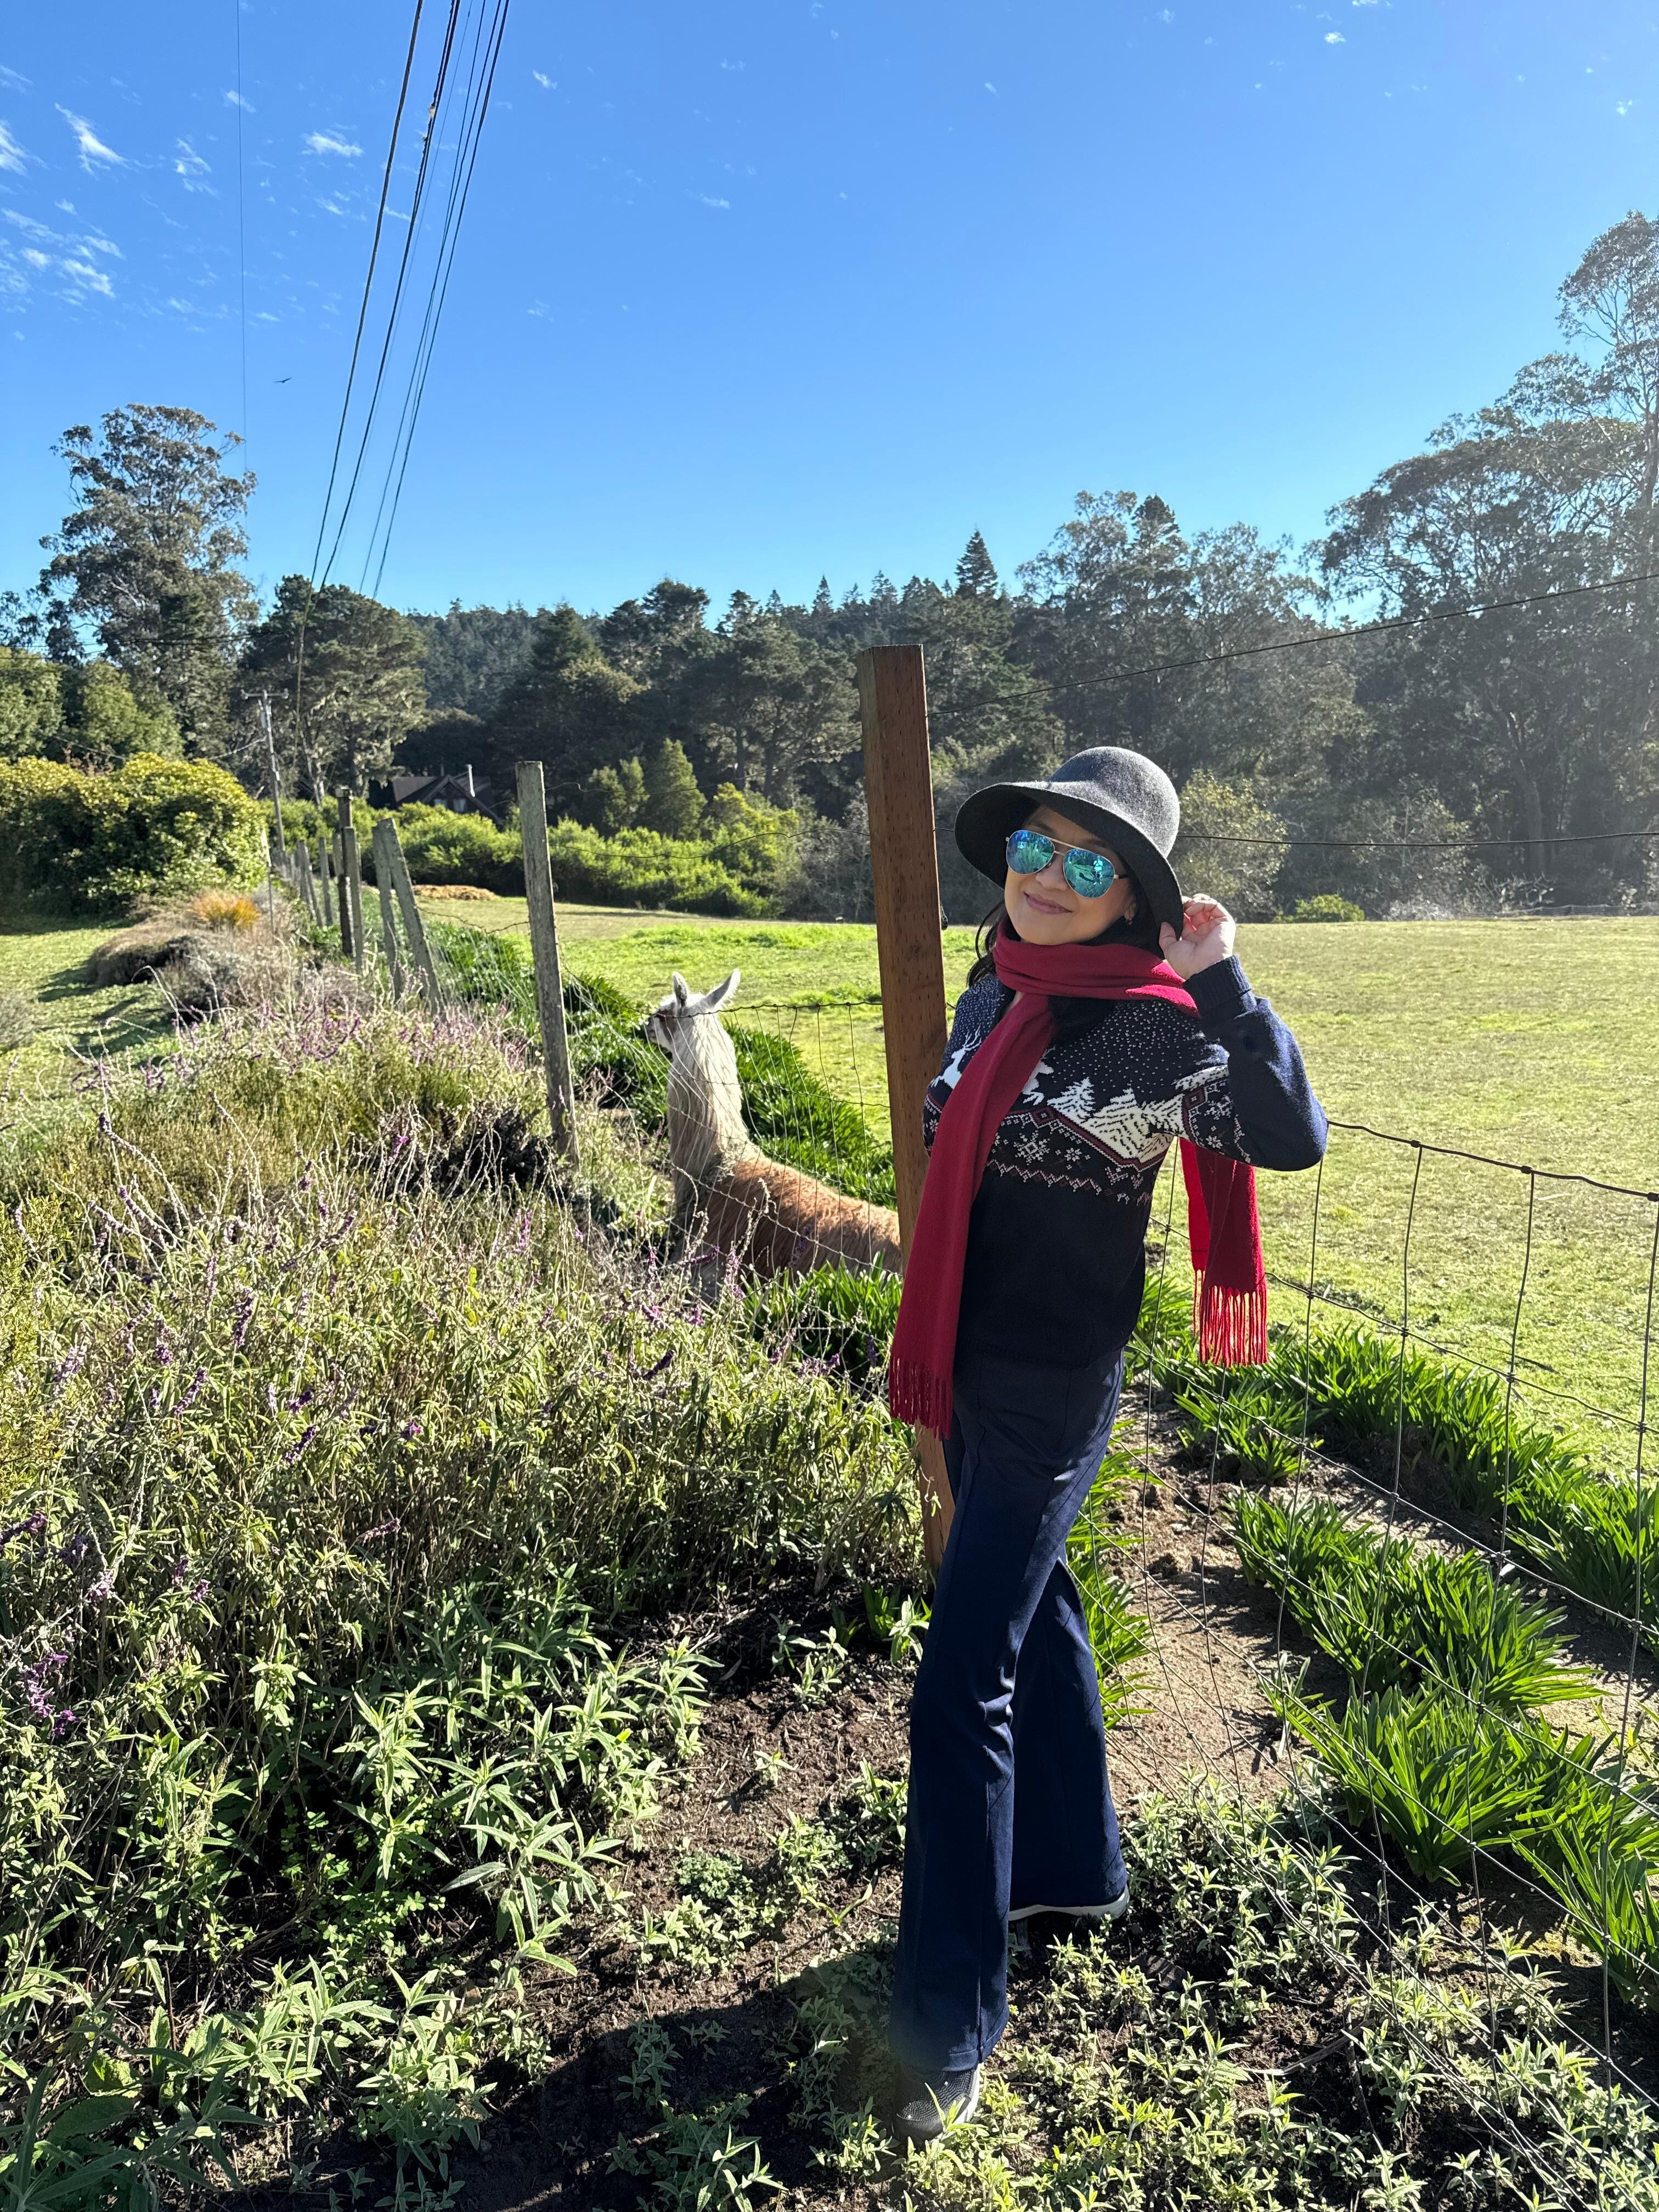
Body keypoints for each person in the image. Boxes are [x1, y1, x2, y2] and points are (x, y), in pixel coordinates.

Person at [886, 746, 1327, 2143]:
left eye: (1090, 861)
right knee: (1043, 1607)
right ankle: (1073, 1871)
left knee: (961, 1682)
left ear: (1135, 893)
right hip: (962, 1363)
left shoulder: (1152, 1033)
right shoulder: (995, 986)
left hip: (1053, 1388)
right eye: (1035, 845)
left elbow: (1289, 1134)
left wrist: (1224, 980)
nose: (1049, 876)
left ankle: (946, 2024)